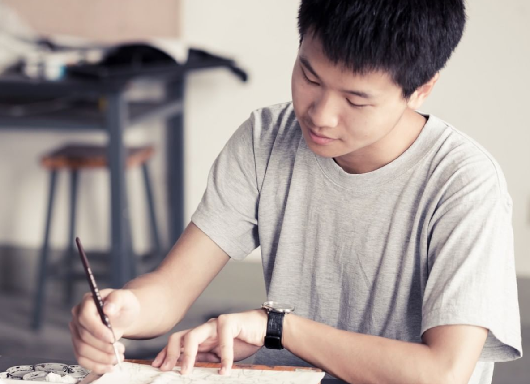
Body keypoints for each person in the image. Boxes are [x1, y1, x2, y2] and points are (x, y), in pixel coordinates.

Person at [69, 1, 523, 383]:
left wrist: (277, 328)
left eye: (356, 100)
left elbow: (441, 372)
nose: (321, 115)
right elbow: (170, 290)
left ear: (421, 90)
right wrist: (123, 309)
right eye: (309, 77)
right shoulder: (265, 139)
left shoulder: (464, 183)